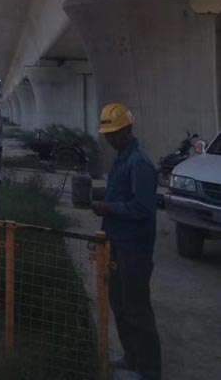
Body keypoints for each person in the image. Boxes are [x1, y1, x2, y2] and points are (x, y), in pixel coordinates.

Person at [94, 103, 162, 380]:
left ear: (127, 130)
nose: (110, 139)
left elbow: (143, 208)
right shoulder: (122, 159)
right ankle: (132, 357)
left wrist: (109, 208)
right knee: (120, 305)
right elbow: (121, 194)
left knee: (137, 309)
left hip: (134, 248)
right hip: (117, 243)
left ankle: (148, 370)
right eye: (107, 135)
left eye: (114, 134)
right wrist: (102, 199)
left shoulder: (139, 163)